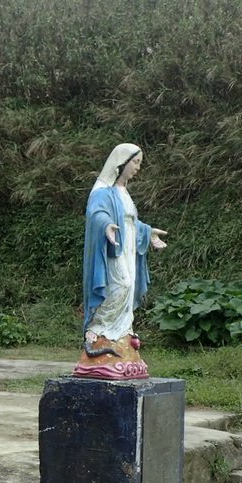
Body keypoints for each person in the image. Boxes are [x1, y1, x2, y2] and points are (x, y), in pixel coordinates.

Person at [73, 143, 168, 379]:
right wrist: (106, 226)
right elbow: (96, 213)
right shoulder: (103, 191)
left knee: (129, 288)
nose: (137, 168)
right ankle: (99, 330)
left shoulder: (124, 193)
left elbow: (131, 224)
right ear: (121, 162)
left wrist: (148, 232)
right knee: (120, 285)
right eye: (135, 162)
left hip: (127, 249)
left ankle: (121, 333)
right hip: (113, 249)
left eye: (139, 164)